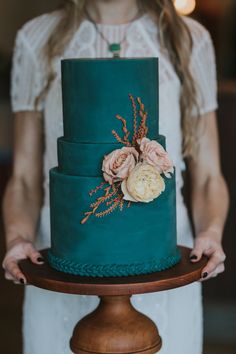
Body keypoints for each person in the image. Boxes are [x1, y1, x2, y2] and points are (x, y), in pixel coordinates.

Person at [2, 1, 229, 353]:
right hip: (63, 263)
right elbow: (24, 178)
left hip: (161, 261)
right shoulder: (37, 38)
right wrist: (17, 236)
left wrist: (211, 232)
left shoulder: (188, 38)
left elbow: (208, 176)